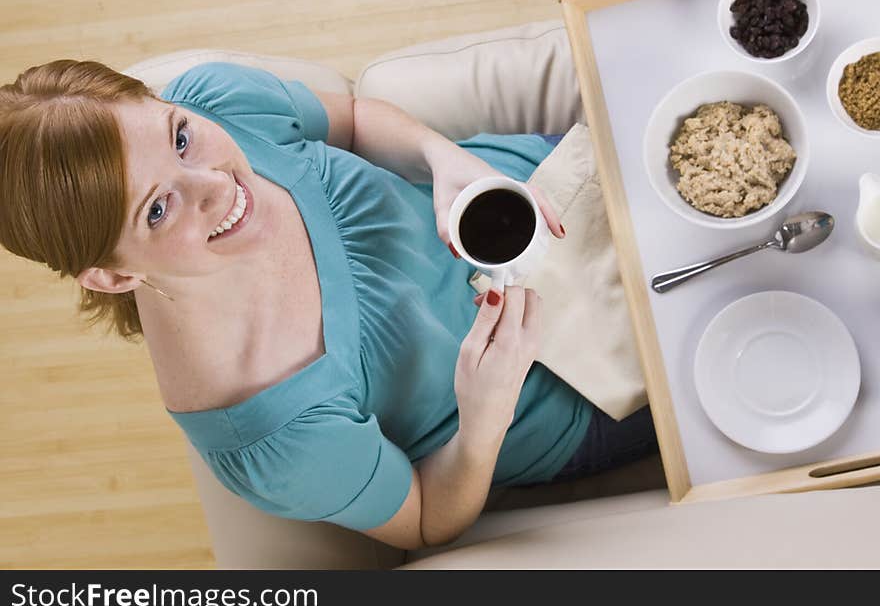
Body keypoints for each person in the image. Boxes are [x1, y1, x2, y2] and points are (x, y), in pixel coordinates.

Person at [0, 59, 659, 551]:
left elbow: (350, 118)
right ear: (110, 277)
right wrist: (485, 414)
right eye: (158, 207)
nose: (216, 183)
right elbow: (427, 519)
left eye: (178, 139)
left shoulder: (213, 100)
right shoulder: (273, 435)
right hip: (571, 391)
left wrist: (443, 157)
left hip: (540, 190)